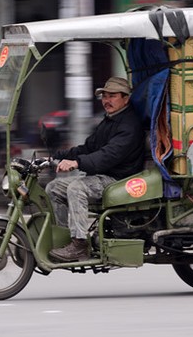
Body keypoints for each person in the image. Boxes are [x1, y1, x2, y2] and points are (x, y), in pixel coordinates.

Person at [46, 77, 145, 262]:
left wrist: (76, 163)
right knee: (54, 187)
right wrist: (57, 156)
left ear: (126, 98)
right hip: (103, 175)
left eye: (112, 96)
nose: (107, 100)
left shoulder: (129, 125)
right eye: (104, 96)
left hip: (119, 180)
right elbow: (88, 148)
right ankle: (62, 236)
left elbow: (106, 156)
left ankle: (79, 245)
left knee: (77, 188)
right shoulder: (109, 120)